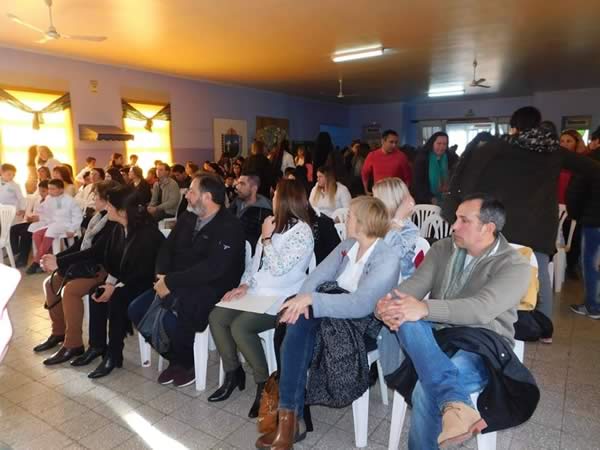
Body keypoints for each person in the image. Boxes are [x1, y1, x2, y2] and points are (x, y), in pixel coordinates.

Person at [377, 194, 536, 449]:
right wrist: (387, 302)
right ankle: (456, 402)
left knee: (425, 391)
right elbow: (414, 287)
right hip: (437, 338)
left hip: (482, 345)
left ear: (488, 228)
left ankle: (451, 403)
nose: (453, 226)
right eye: (456, 219)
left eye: (464, 220)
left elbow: (481, 309)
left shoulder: (515, 266)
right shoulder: (443, 249)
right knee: (406, 314)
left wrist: (424, 308)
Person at [442, 106, 600, 340]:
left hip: (507, 221)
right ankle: (544, 330)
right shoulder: (553, 150)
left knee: (498, 272)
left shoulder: (501, 147)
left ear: (514, 127)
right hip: (540, 225)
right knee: (540, 275)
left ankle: (500, 324)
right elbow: (592, 169)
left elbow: (472, 175)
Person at [256, 196, 401, 449]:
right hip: (330, 308)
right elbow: (318, 275)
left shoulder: (387, 258)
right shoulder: (348, 245)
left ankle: (291, 419)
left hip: (363, 323)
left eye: (352, 215)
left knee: (297, 321)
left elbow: (361, 304)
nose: (347, 219)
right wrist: (303, 298)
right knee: (295, 314)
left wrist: (310, 300)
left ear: (365, 221)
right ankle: (291, 418)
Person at [208, 179, 315, 418]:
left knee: (241, 327)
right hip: (257, 292)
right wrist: (243, 284)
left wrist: (267, 239)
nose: (273, 198)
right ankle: (233, 372)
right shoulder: (273, 223)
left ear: (286, 200)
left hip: (281, 296)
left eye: (276, 195)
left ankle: (264, 384)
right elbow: (255, 263)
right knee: (217, 316)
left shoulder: (303, 232)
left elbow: (278, 269)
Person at [128, 174, 245, 387]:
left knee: (174, 315)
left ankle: (186, 362)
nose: (187, 196)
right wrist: (161, 277)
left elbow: (213, 268)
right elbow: (166, 249)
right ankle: (175, 357)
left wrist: (170, 281)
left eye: (191, 191)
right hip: (178, 280)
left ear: (207, 197)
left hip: (211, 285)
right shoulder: (188, 218)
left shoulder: (229, 226)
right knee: (136, 309)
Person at [81, 185, 164, 378]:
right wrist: (110, 284)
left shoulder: (147, 234)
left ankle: (114, 354)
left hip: (150, 284)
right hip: (129, 280)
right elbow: (113, 262)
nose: (106, 209)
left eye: (110, 205)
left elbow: (143, 274)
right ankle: (97, 346)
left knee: (117, 298)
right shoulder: (119, 229)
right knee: (97, 291)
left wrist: (115, 287)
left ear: (123, 211)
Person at [33, 181, 119, 364]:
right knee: (50, 283)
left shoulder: (113, 223)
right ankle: (58, 332)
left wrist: (59, 261)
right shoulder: (97, 218)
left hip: (102, 269)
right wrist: (56, 258)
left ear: (107, 200)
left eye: (96, 196)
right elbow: (81, 245)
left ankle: (73, 344)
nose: (93, 199)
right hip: (86, 265)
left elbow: (95, 252)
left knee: (70, 290)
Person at [567, 127, 600, 320]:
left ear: (595, 141)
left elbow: (575, 192)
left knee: (591, 263)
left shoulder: (590, 161)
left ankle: (594, 306)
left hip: (594, 220)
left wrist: (577, 215)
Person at [26, 179, 83, 274]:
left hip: (66, 224)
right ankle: (45, 259)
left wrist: (72, 229)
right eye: (49, 189)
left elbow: (77, 216)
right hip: (53, 223)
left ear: (61, 190)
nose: (50, 191)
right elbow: (44, 212)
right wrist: (35, 217)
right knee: (36, 234)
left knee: (49, 233)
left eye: (53, 189)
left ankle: (36, 262)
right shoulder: (49, 199)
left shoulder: (70, 200)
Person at [373, 177, 419, 279]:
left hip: (399, 285)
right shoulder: (380, 223)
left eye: (376, 199)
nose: (372, 204)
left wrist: (398, 219)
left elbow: (390, 257)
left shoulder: (409, 229)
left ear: (389, 201)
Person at [228, 174, 273, 251]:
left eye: (242, 184)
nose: (237, 187)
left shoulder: (265, 212)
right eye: (238, 183)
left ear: (254, 188)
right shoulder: (236, 202)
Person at [413, 132, 458, 205]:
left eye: (445, 144)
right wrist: (431, 198)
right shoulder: (422, 158)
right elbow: (418, 184)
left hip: (446, 199)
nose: (442, 147)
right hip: (425, 201)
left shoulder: (450, 157)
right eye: (439, 143)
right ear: (432, 144)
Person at [11, 180, 49, 267]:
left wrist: (38, 218)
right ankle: (16, 252)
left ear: (49, 190)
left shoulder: (52, 200)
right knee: (13, 229)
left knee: (25, 233)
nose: (41, 193)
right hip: (34, 222)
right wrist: (30, 217)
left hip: (44, 223)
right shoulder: (38, 199)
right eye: (40, 191)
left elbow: (52, 215)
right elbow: (34, 212)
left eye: (43, 191)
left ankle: (22, 259)